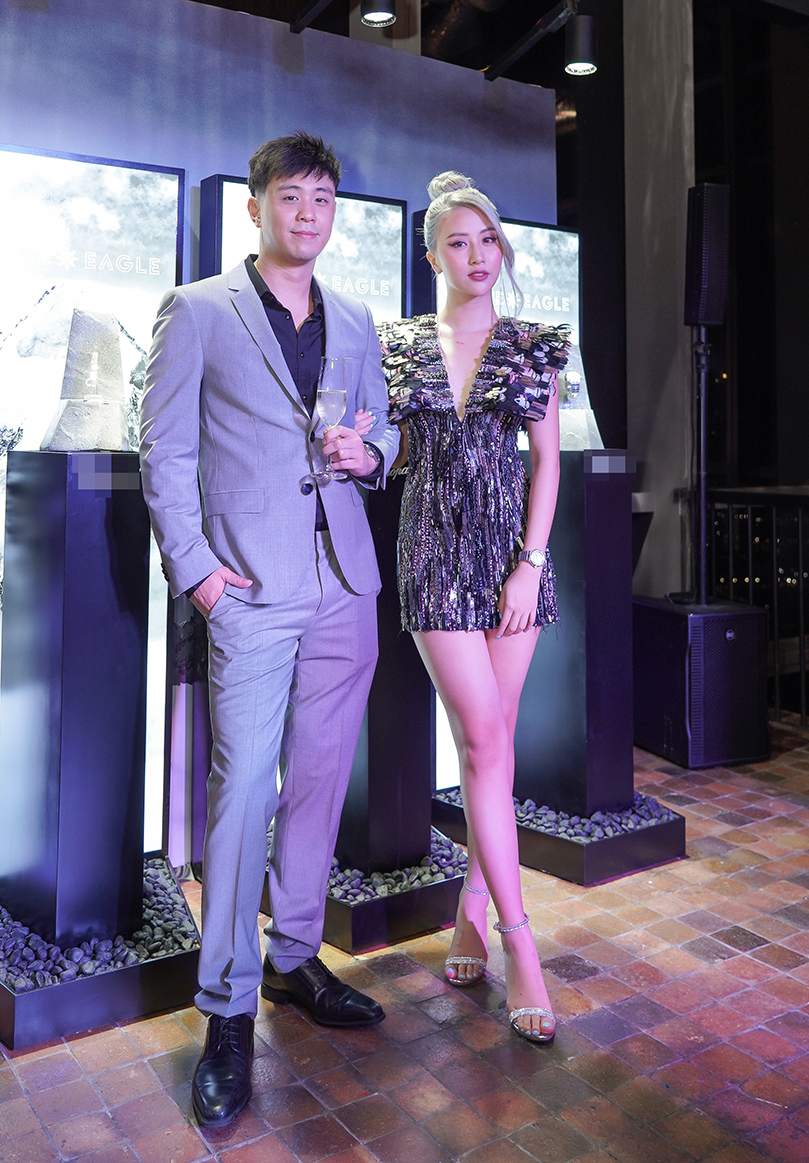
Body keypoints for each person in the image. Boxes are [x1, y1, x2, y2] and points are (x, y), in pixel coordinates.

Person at [139, 132, 400, 1126]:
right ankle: (227, 1006)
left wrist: (370, 454)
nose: (309, 214)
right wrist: (199, 575)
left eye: (323, 199)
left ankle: (294, 956)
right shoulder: (199, 310)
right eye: (292, 197)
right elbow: (164, 450)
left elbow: (382, 433)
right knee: (243, 788)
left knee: (320, 778)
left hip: (344, 580)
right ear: (255, 208)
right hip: (247, 586)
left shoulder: (357, 317)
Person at [366, 172, 569, 1043]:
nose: (478, 255)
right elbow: (393, 448)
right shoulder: (398, 345)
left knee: (495, 741)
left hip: (511, 563)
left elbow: (547, 462)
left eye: (489, 240)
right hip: (432, 557)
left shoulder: (531, 345)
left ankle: (472, 913)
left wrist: (530, 564)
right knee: (484, 740)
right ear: (432, 256)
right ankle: (523, 947)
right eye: (459, 242)